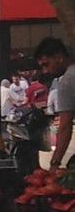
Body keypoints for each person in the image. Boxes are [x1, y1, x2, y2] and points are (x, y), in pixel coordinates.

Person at [34, 37, 74, 168]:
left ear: (59, 57)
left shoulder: (68, 81)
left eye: (46, 64)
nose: (45, 71)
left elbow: (65, 126)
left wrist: (55, 162)